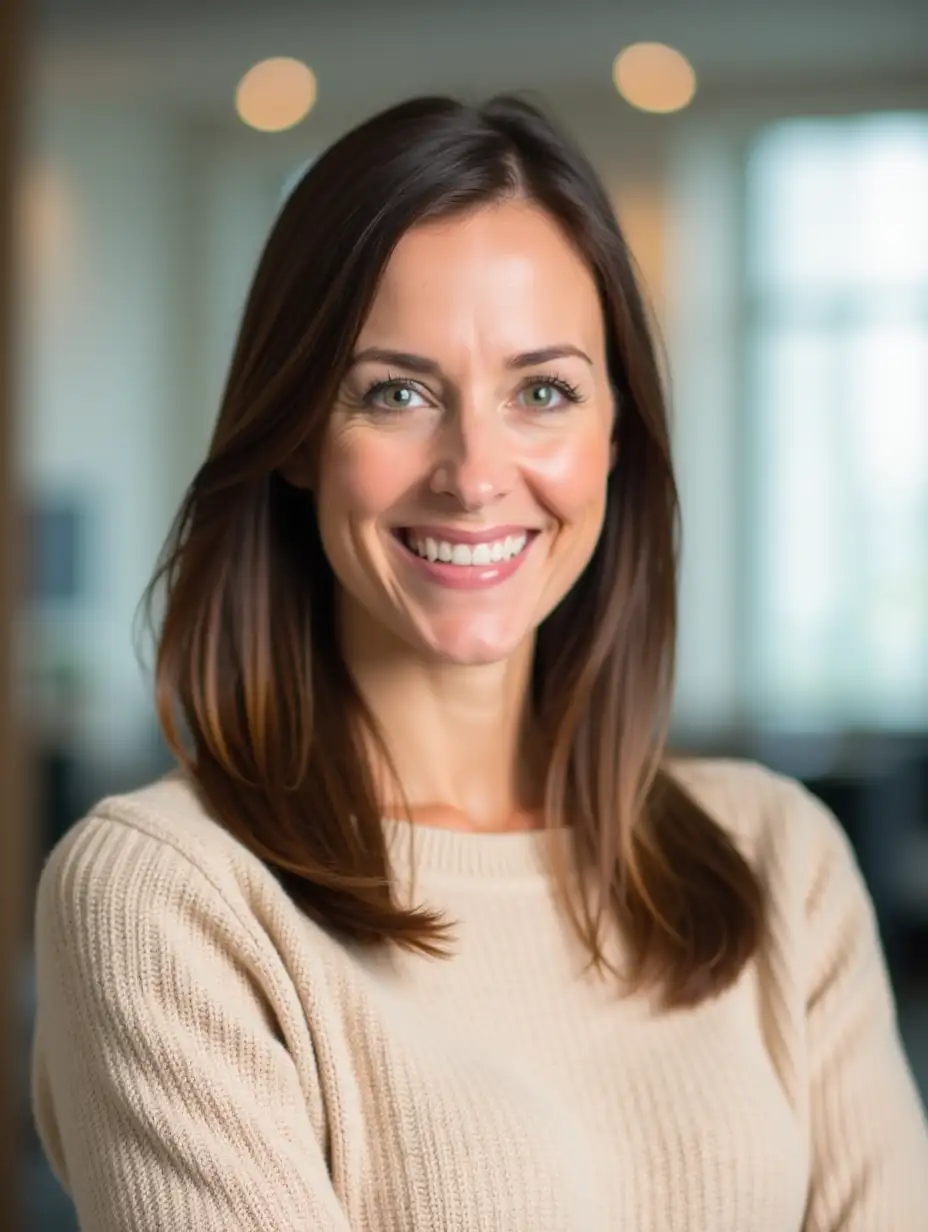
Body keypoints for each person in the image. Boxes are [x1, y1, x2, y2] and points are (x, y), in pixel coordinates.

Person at [31, 94, 928, 1232]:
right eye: (395, 392)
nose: (472, 470)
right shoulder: (168, 898)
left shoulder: (780, 859)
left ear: (615, 439)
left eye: (541, 391)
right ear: (301, 434)